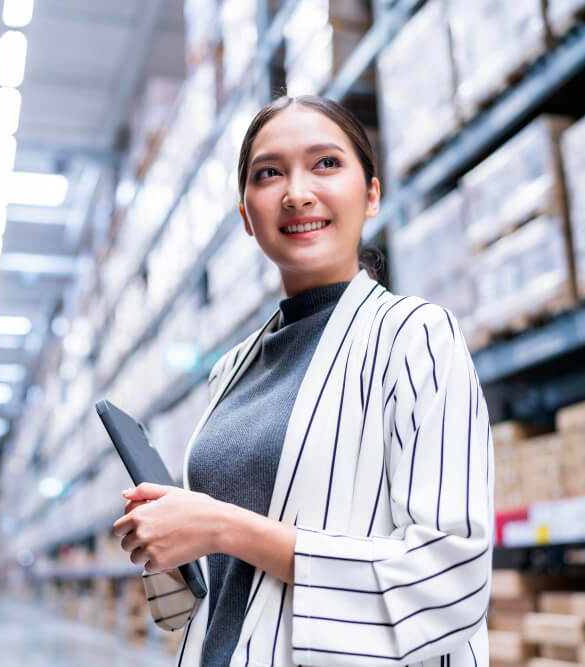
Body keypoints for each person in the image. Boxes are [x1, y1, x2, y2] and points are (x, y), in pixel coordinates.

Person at [113, 95, 494, 667]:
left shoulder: (414, 337)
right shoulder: (232, 369)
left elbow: (449, 578)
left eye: (325, 164)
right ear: (246, 214)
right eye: (269, 173)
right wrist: (169, 541)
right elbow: (209, 597)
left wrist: (221, 525)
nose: (296, 192)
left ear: (371, 194)